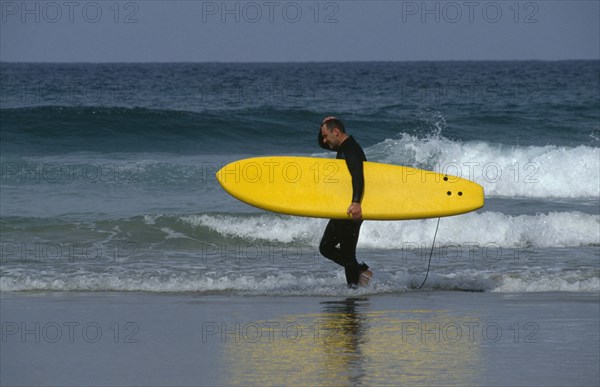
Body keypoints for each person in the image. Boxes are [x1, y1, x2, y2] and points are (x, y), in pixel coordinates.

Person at [318, 117, 372, 288]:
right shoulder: (344, 147)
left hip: (351, 208)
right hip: (346, 207)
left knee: (338, 251)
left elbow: (358, 175)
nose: (324, 140)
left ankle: (356, 286)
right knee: (336, 250)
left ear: (336, 132)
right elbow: (321, 144)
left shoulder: (351, 149)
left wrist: (356, 202)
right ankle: (358, 280)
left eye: (326, 136)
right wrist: (325, 123)